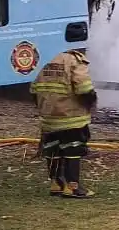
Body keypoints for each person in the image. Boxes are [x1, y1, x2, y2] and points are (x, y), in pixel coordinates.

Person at [29, 47, 98, 198]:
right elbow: (84, 89)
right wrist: (92, 103)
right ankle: (72, 186)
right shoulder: (75, 60)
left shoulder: (44, 57)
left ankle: (56, 184)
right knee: (73, 149)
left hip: (48, 117)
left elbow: (33, 89)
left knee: (52, 150)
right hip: (71, 117)